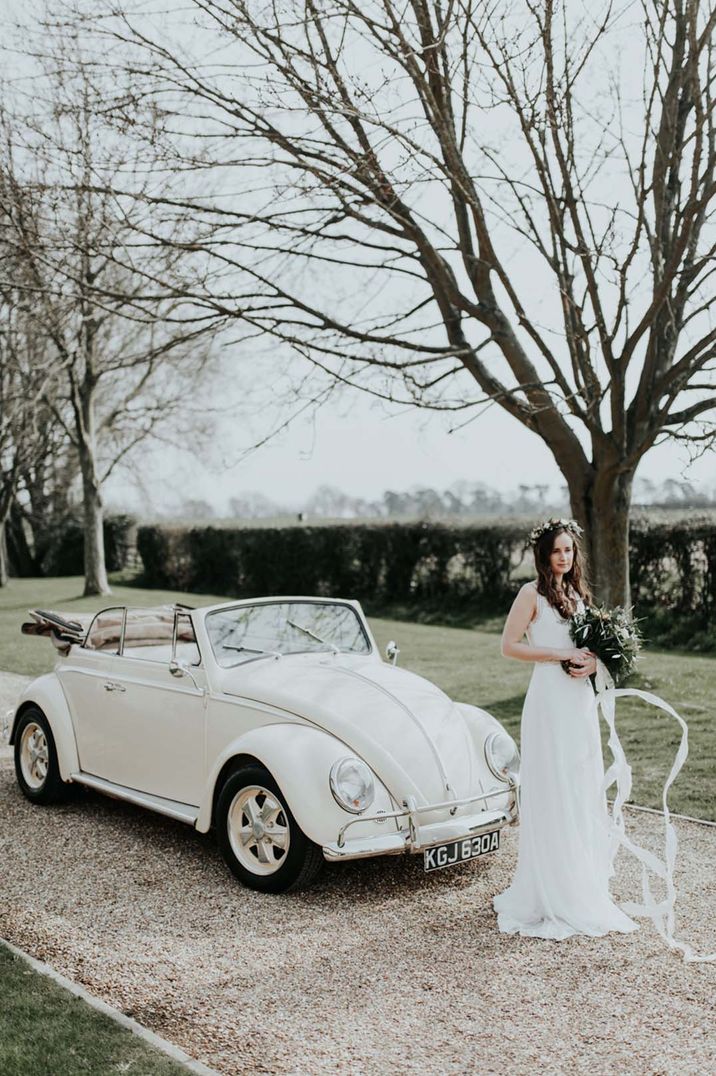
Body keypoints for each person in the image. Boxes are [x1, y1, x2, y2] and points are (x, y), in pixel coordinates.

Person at [493, 518, 638, 940]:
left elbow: (590, 646)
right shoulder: (531, 594)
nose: (564, 556)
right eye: (557, 550)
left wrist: (593, 661)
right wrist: (559, 653)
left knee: (578, 784)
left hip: (577, 702)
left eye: (569, 550)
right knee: (553, 785)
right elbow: (509, 645)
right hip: (548, 702)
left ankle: (578, 880)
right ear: (543, 554)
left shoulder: (576, 594)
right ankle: (548, 889)